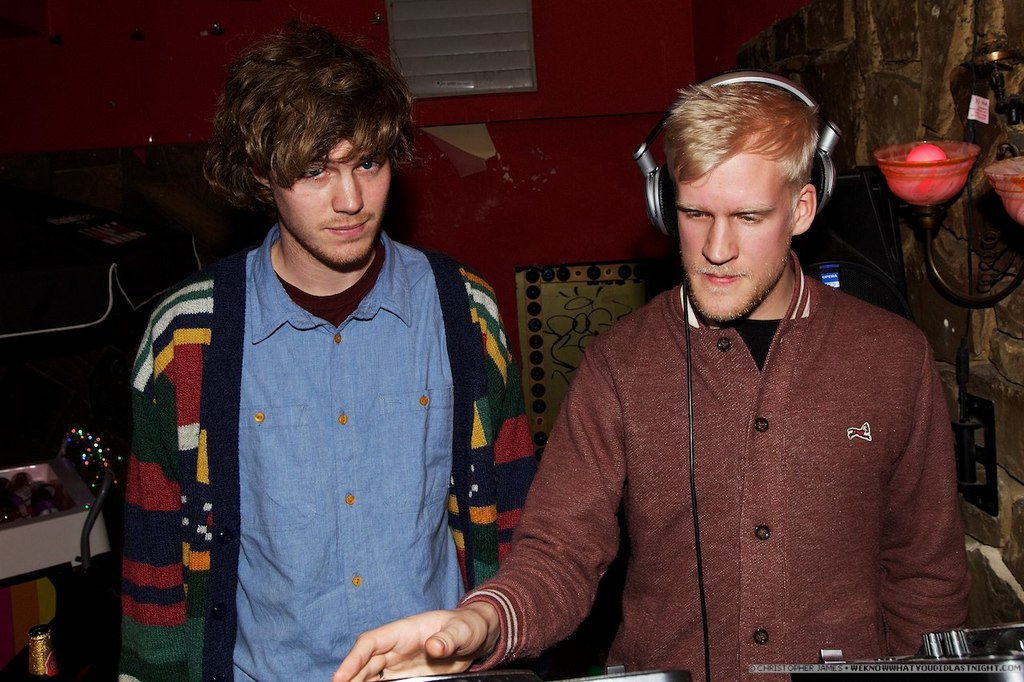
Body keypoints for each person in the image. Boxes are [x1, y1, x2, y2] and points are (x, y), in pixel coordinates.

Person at [332, 79, 971, 682]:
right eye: (695, 214)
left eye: (749, 217)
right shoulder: (619, 365)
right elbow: (558, 552)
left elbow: (927, 578)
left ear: (802, 208)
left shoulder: (893, 358)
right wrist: (481, 622)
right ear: (665, 206)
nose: (716, 248)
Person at [118, 23, 537, 682]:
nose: (351, 201)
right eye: (315, 170)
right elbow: (156, 562)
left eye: (368, 163)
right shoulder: (187, 337)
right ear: (261, 172)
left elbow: (514, 525)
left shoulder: (465, 316)